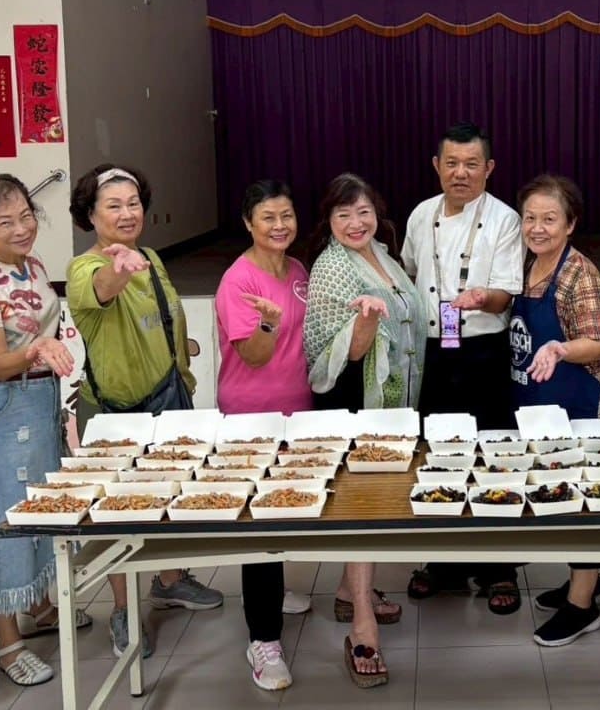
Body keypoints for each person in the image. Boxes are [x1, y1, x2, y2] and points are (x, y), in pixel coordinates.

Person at [66, 164, 223, 659]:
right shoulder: (86, 268)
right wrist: (118, 268)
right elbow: (103, 290)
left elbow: (164, 317)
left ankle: (170, 580)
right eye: (113, 205)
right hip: (117, 410)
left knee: (173, 489)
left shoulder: (151, 257)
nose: (127, 213)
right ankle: (121, 608)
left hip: (169, 395)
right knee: (118, 510)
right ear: (89, 215)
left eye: (133, 203)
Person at [0, 174, 88, 687]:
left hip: (40, 401)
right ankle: (7, 642)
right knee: (6, 517)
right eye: (4, 221)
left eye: (26, 216)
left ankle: (41, 605)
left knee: (43, 502)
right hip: (2, 405)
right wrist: (35, 350)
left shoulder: (31, 267)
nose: (20, 228)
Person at [401, 122, 524, 613]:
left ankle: (498, 566)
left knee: (492, 456)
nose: (461, 173)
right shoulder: (419, 215)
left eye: (472, 164)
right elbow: (411, 271)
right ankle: (445, 561)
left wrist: (480, 298)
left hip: (481, 352)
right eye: (451, 163)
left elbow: (504, 294)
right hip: (432, 350)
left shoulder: (505, 220)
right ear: (436, 166)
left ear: (489, 168)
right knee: (440, 457)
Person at [305, 173, 423, 688]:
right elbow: (343, 355)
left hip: (392, 401)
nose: (356, 222)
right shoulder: (331, 266)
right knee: (363, 502)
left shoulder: (383, 252)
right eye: (343, 214)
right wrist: (367, 321)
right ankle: (362, 627)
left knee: (376, 497)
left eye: (364, 211)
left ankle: (351, 590)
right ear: (329, 221)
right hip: (355, 400)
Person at [506, 175, 600, 647]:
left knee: (582, 501)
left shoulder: (580, 275)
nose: (538, 227)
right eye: (530, 217)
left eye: (550, 219)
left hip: (578, 402)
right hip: (537, 401)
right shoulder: (525, 265)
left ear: (570, 224)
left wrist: (557, 348)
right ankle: (587, 578)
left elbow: (597, 342)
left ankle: (581, 605)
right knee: (560, 494)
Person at [214, 179, 315, 691]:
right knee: (256, 525)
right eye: (268, 218)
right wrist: (270, 325)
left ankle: (273, 595)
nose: (280, 226)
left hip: (298, 412)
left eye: (287, 215)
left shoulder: (297, 270)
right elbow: (252, 356)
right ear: (248, 224)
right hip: (251, 417)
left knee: (287, 505)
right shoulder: (238, 281)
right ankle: (264, 640)